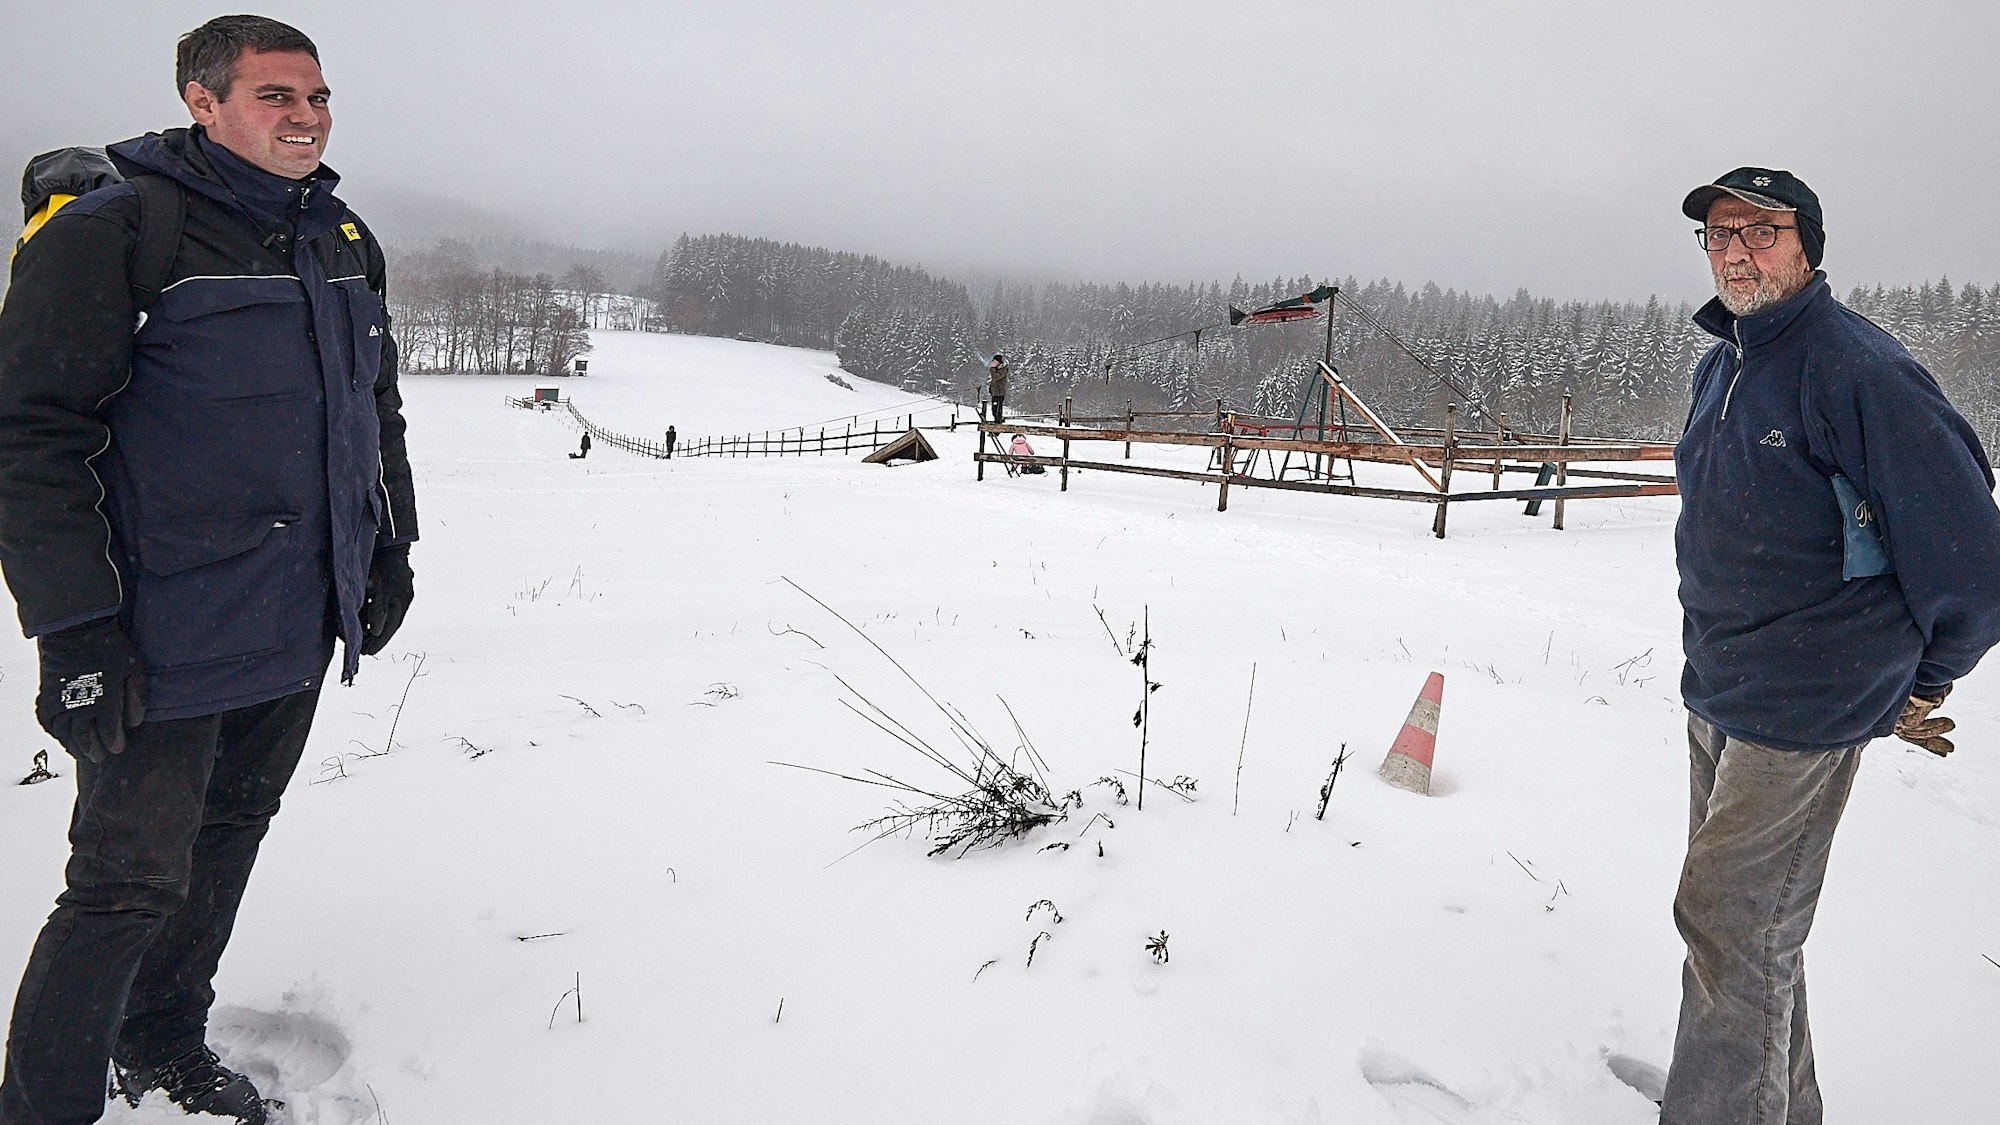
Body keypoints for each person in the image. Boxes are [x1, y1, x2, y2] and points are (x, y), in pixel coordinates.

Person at [0, 15, 417, 1125]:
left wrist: (388, 548)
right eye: (276, 96)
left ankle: (159, 1042)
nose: (307, 117)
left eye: (317, 96)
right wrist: (74, 631)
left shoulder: (338, 235)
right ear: (202, 100)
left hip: (294, 618)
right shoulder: (116, 232)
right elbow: (32, 439)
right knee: (122, 885)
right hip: (158, 633)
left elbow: (372, 408)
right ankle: (41, 1105)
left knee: (229, 839)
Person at [1663, 167, 2000, 1124]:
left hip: (1808, 700)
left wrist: (1920, 678)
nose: (1735, 251)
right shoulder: (1724, 363)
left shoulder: (1862, 372)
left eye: (1759, 231)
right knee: (1748, 931)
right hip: (1720, 683)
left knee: (1730, 921)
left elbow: (1972, 564)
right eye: (1720, 233)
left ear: (1806, 245)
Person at [986, 353, 1010, 423]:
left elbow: (995, 378)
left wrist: (992, 368)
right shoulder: (996, 370)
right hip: (995, 393)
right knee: (994, 409)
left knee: (997, 410)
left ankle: (998, 423)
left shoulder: (1003, 370)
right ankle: (997, 421)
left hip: (999, 393)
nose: (993, 363)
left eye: (995, 362)